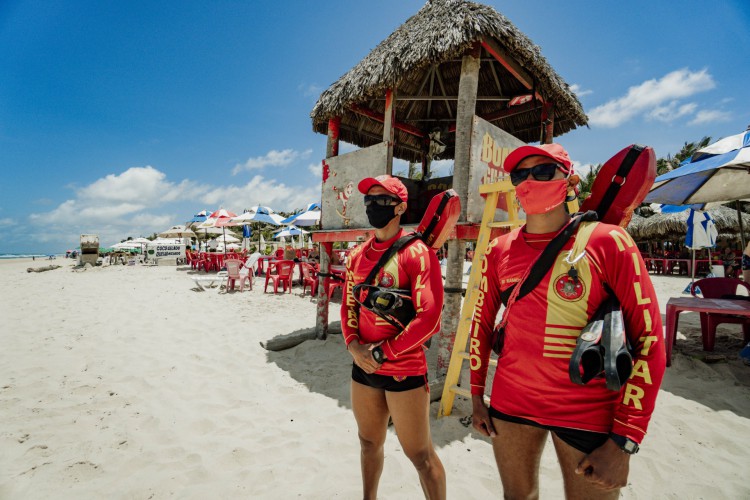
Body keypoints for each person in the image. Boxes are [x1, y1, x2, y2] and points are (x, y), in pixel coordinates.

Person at [470, 143, 666, 498]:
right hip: (511, 403)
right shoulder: (499, 250)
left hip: (587, 412)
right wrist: (475, 395)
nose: (530, 181)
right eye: (520, 174)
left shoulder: (610, 242)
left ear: (570, 181)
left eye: (543, 172)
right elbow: (480, 325)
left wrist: (624, 441)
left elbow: (651, 343)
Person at [341, 175, 446, 500]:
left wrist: (383, 353)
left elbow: (429, 316)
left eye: (381, 200)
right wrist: (354, 346)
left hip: (404, 370)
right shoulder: (357, 256)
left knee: (421, 456)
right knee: (369, 443)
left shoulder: (417, 253)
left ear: (400, 207)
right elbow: (348, 307)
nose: (373, 206)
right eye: (369, 200)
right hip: (364, 370)